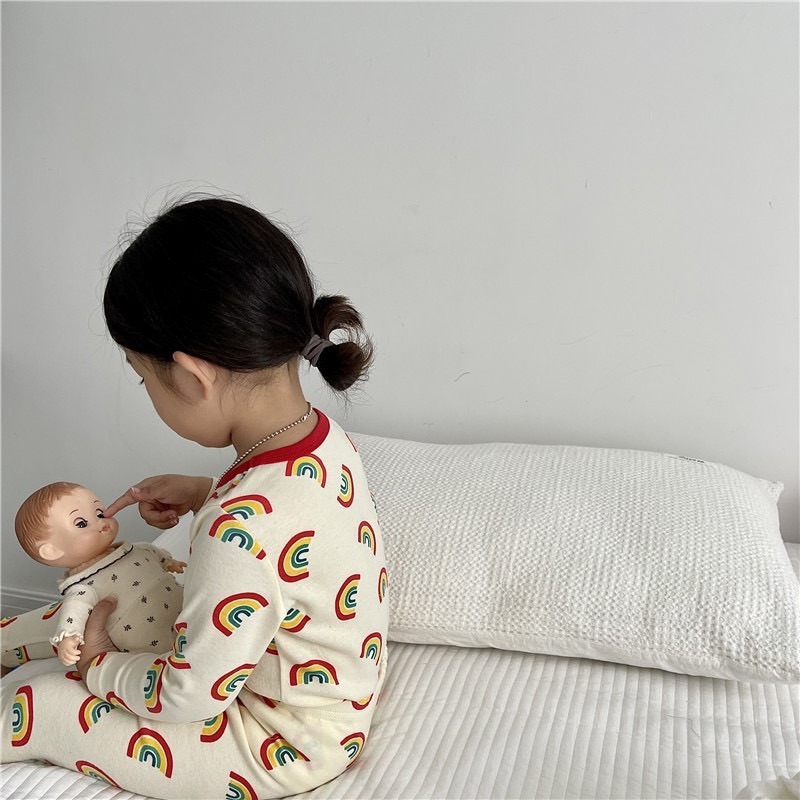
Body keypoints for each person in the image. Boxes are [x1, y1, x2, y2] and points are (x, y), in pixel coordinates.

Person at [1, 196, 389, 799]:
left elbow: (187, 694)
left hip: (278, 744)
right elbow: (296, 526)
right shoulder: (322, 438)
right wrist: (207, 492)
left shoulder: (237, 530)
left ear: (190, 376)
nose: (145, 389)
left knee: (37, 701)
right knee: (70, 617)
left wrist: (99, 663)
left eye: (143, 376)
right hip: (336, 703)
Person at [2, 481, 185, 669]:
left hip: (186, 613)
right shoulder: (84, 586)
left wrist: (169, 562)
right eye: (81, 523)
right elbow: (73, 613)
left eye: (99, 513)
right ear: (51, 551)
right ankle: (6, 651)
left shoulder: (135, 549)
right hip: (152, 646)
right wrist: (68, 638)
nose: (101, 522)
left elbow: (151, 552)